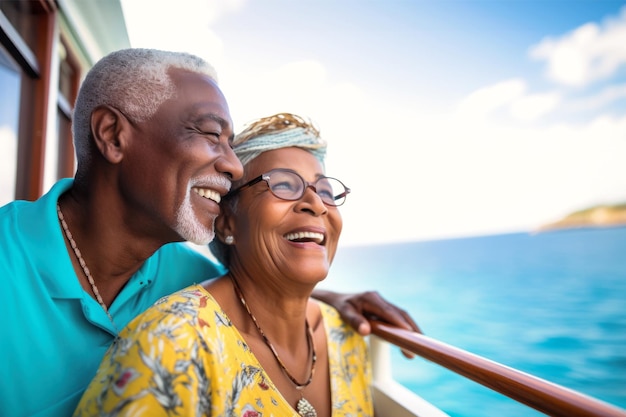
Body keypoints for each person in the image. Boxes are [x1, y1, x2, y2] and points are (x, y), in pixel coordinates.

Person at [0, 49, 418, 417]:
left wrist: (333, 299)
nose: (234, 166)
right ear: (112, 135)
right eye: (210, 134)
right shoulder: (10, 261)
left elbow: (260, 287)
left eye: (232, 144)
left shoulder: (186, 272)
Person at [73, 112, 374, 417]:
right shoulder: (168, 345)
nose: (318, 204)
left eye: (325, 191)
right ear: (228, 222)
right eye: (283, 185)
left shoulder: (347, 338)